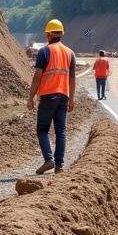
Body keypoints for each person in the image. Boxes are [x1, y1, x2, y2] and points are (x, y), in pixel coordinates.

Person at [27, 18, 76, 175]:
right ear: (61, 34)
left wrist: (30, 97)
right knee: (61, 130)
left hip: (48, 95)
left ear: (48, 35)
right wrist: (71, 98)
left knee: (42, 129)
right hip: (64, 96)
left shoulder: (45, 52)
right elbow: (72, 78)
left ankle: (49, 159)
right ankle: (59, 166)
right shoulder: (70, 53)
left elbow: (37, 76)